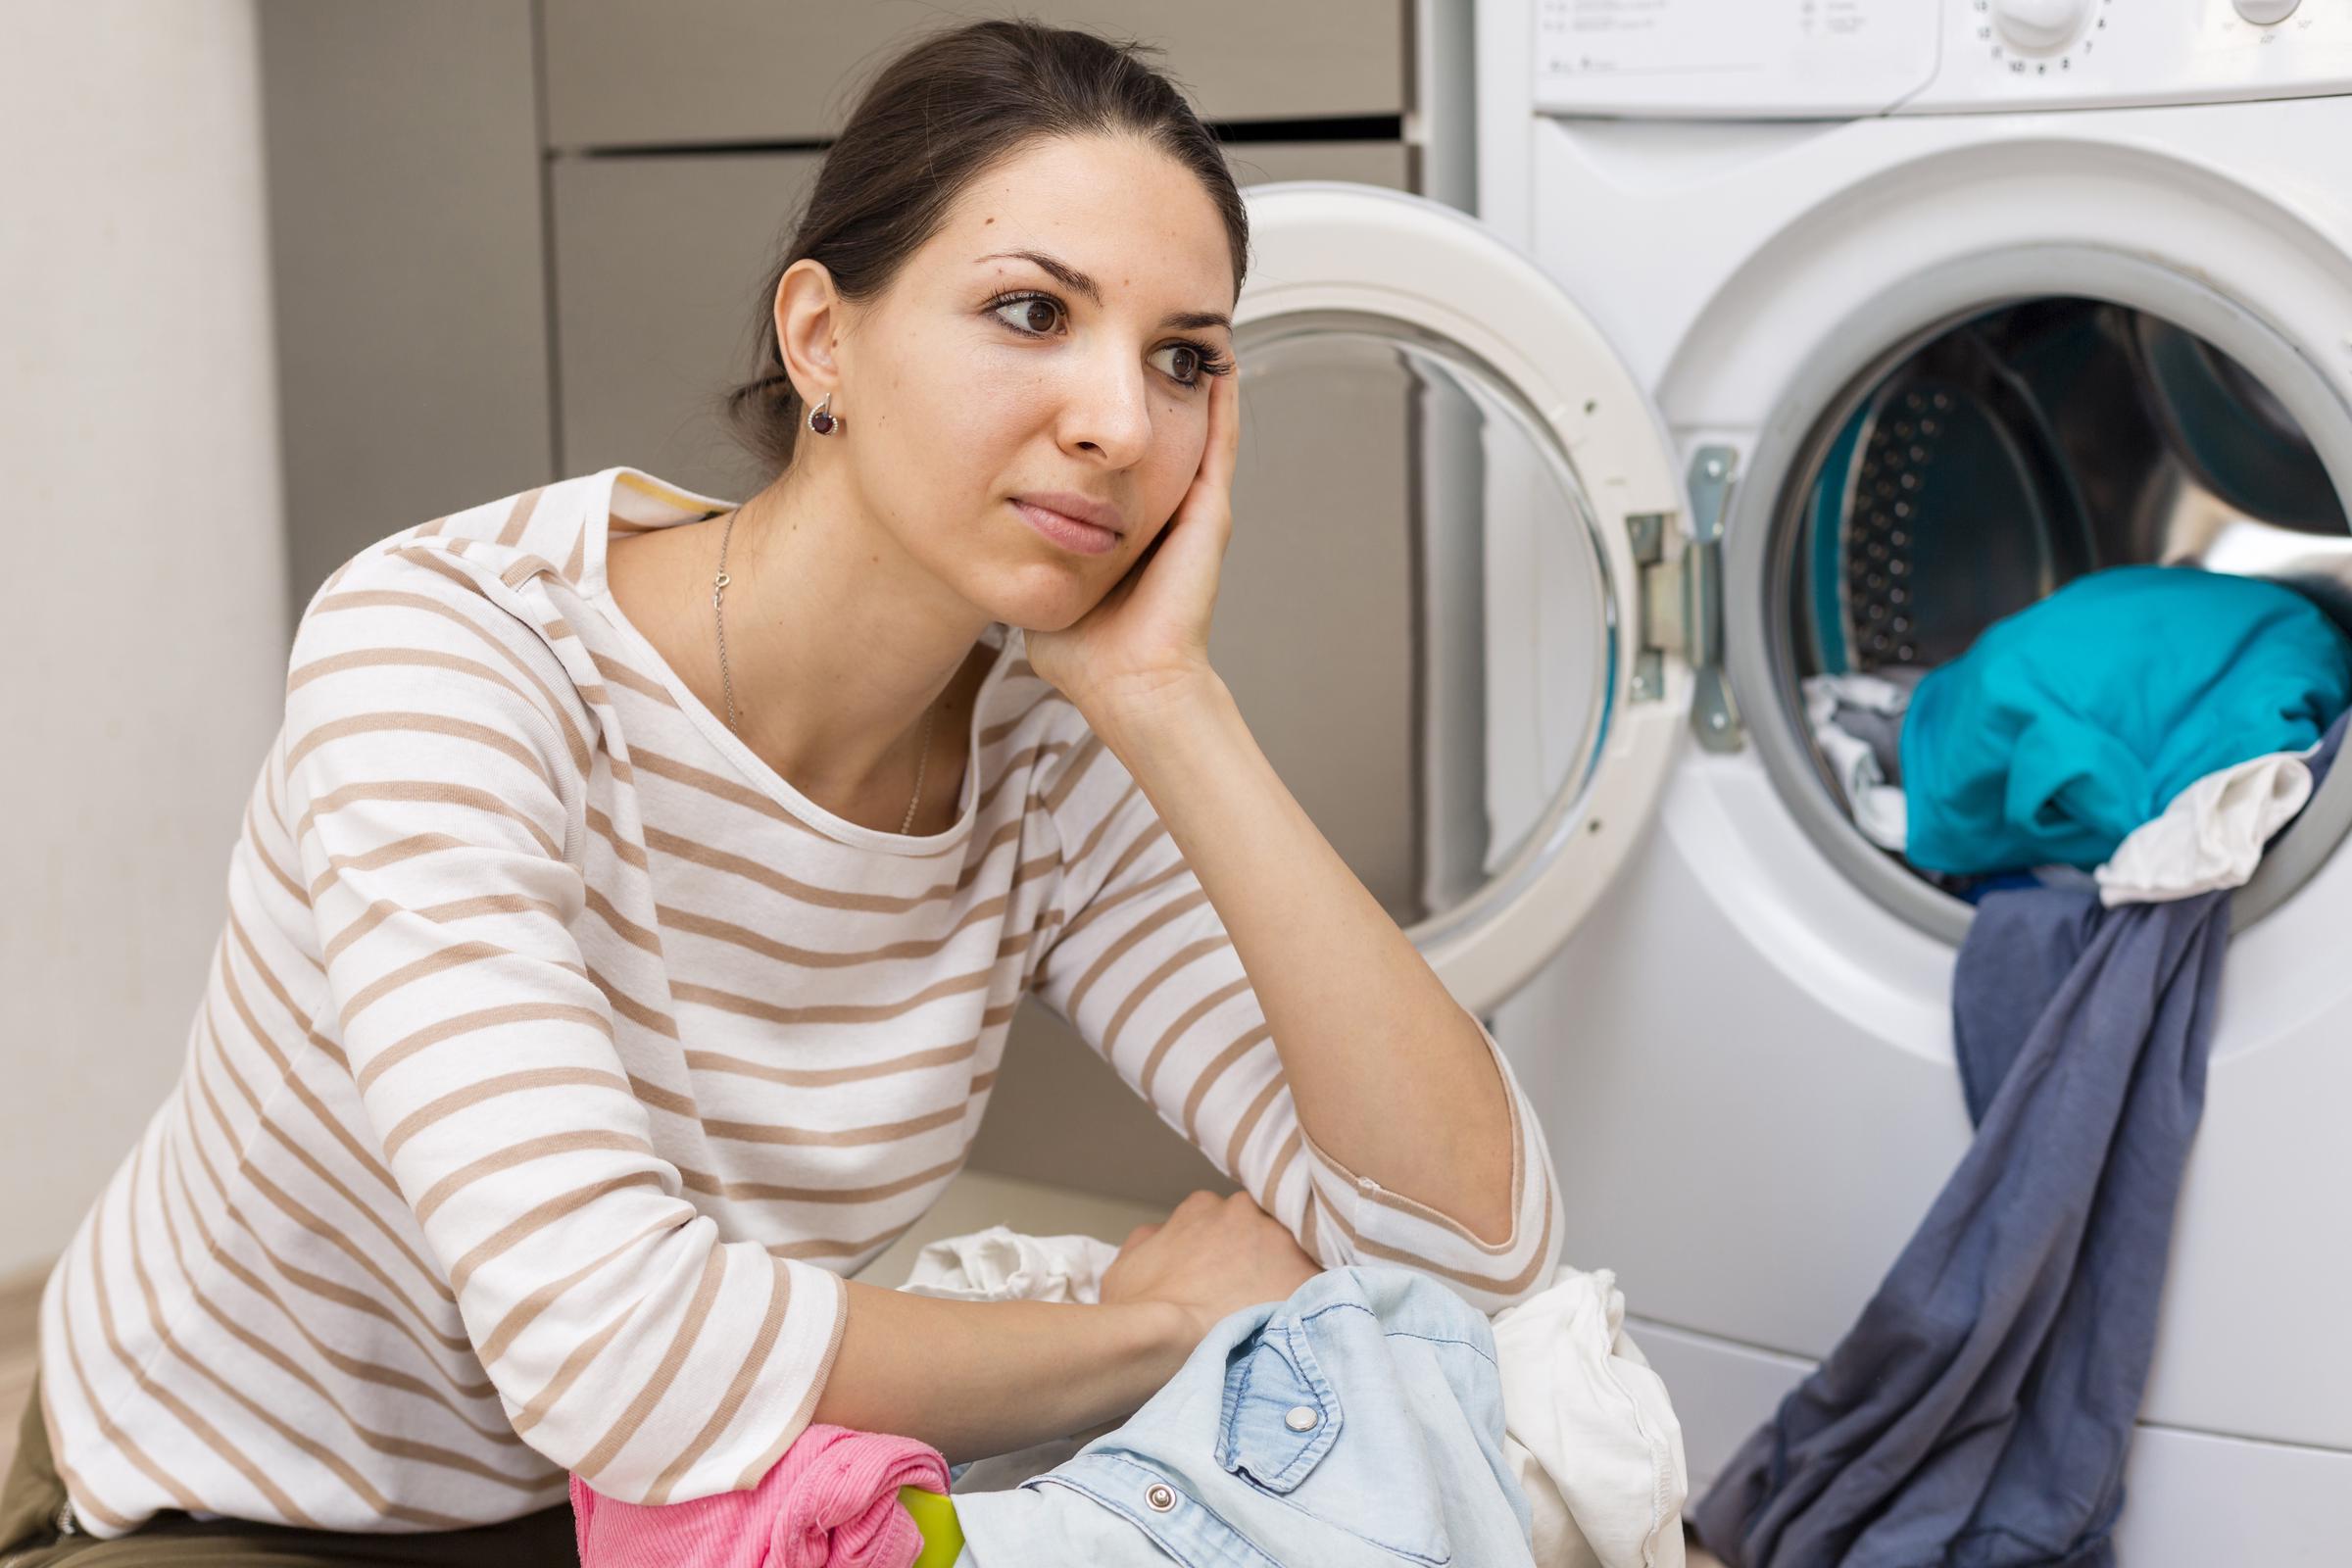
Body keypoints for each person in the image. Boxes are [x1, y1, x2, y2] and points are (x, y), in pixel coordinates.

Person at [3, 18, 1563, 1564]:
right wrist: (1141, 1325)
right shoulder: (452, 653)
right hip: (233, 1498)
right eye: (1030, 311)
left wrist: (1174, 705)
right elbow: (617, 1355)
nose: (1117, 422)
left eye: (1184, 360)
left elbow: (1470, 1256)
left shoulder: (1050, 757)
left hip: (693, 1501)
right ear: (823, 337)